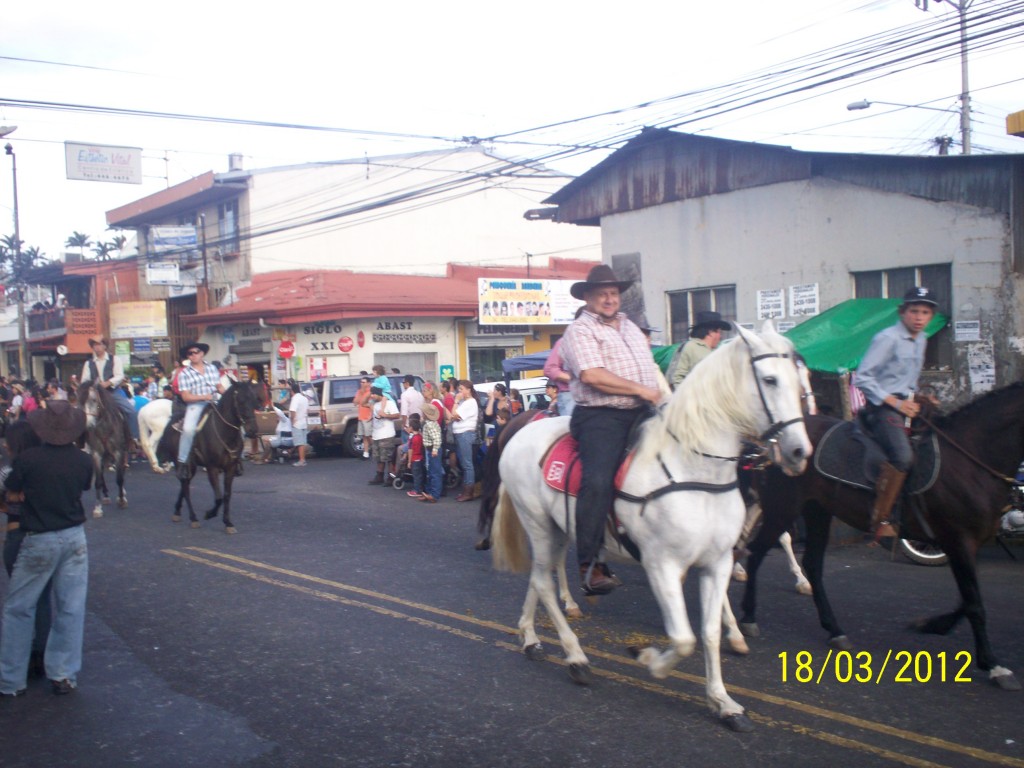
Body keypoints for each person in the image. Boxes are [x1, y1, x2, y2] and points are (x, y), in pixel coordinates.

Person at [560, 264, 662, 595]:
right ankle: (591, 565)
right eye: (602, 293)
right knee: (598, 479)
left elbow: (649, 369)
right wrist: (640, 390)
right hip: (600, 416)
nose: (609, 298)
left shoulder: (630, 327)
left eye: (614, 293)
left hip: (643, 410)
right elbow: (592, 375)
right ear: (587, 297)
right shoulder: (579, 330)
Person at [0, 399, 93, 697]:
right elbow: (84, 488)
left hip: (38, 535)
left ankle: (12, 680)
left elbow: (12, 487)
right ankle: (63, 674)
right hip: (74, 535)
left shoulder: (28, 460)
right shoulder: (83, 460)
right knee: (70, 608)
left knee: (19, 609)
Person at [855, 286, 938, 539]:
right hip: (881, 408)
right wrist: (897, 403)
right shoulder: (887, 338)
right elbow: (863, 378)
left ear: (931, 316)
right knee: (903, 457)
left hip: (908, 404)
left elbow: (907, 380)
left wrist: (921, 397)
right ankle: (882, 517)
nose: (919, 317)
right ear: (903, 313)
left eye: (925, 312)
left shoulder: (922, 338)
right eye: (914, 311)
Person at [1, 421, 48, 681]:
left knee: (19, 603)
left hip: (17, 535)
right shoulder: (46, 467)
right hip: (45, 534)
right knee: (42, 600)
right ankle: (42, 652)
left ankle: (14, 669)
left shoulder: (10, 471)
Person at [175, 342, 225, 480]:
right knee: (188, 429)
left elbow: (219, 386)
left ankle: (234, 457)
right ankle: (182, 461)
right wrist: (203, 397)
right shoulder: (184, 373)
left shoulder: (212, 369)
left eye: (196, 352)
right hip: (196, 405)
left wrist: (228, 395)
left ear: (202, 353)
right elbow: (185, 396)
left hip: (214, 402)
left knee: (234, 422)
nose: (193, 355)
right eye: (190, 353)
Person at [80, 337, 140, 445]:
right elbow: (84, 380)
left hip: (112, 393)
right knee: (85, 413)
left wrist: (108, 383)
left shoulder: (114, 359)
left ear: (104, 346)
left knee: (130, 411)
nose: (96, 347)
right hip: (96, 396)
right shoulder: (88, 363)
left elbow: (119, 375)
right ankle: (83, 442)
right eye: (94, 345)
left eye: (99, 344)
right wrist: (91, 387)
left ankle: (134, 438)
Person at [667, 310, 731, 390]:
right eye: (719, 332)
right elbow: (676, 378)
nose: (720, 336)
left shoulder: (718, 351)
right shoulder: (689, 347)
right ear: (710, 332)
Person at [450, 380, 479, 502]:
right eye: (459, 389)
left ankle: (469, 491)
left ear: (468, 390)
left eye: (461, 389)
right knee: (464, 463)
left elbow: (454, 415)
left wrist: (456, 401)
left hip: (465, 434)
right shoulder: (465, 402)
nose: (459, 391)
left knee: (467, 464)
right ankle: (466, 489)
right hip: (460, 434)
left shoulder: (470, 402)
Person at [367, 386, 401, 485]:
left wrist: (385, 415)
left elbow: (397, 415)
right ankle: (379, 475)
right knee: (379, 457)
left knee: (388, 457)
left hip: (387, 434)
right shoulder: (375, 404)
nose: (372, 396)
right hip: (377, 434)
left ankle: (391, 476)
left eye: (373, 394)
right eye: (371, 394)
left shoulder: (389, 403)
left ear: (379, 394)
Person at [544, 335, 577, 419]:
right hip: (570, 394)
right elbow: (549, 369)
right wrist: (576, 380)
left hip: (597, 394)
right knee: (572, 427)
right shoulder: (564, 342)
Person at [420, 402, 443, 503]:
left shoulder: (429, 425)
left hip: (433, 449)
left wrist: (435, 449)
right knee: (431, 471)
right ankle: (430, 492)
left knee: (435, 472)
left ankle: (434, 494)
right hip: (430, 449)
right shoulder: (432, 423)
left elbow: (437, 438)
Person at [287, 381, 310, 467]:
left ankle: (302, 460)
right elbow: (307, 410)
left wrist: (292, 420)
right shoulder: (304, 398)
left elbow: (293, 410)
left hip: (297, 423)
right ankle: (302, 458)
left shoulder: (295, 398)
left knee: (299, 443)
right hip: (303, 422)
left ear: (292, 391)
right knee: (302, 442)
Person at [399, 374, 424, 445]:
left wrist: (404, 425)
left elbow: (404, 413)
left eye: (403, 383)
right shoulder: (419, 394)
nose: (403, 385)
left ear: (407, 383)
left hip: (408, 426)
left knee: (406, 447)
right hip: (418, 425)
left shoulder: (404, 395)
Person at [405, 414, 426, 499]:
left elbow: (410, 450)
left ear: (411, 428)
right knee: (420, 475)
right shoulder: (420, 437)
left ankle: (417, 490)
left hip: (414, 458)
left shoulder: (413, 438)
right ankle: (420, 488)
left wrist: (409, 461)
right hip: (420, 458)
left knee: (416, 475)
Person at [353, 377, 374, 459]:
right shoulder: (359, 391)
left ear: (368, 383)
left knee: (369, 435)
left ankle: (376, 449)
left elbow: (372, 404)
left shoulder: (371, 392)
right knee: (364, 436)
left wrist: (371, 415)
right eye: (361, 382)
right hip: (361, 416)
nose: (362, 384)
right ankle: (366, 453)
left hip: (368, 416)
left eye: (364, 382)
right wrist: (361, 393)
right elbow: (355, 402)